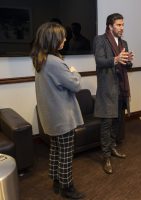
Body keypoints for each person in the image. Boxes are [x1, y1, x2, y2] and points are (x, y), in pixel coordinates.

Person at [31, 22, 84, 199]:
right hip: (62, 117)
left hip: (50, 116)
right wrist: (74, 71)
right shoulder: (55, 62)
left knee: (55, 149)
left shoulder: (41, 58)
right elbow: (76, 85)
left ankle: (56, 180)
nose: (66, 39)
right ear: (53, 40)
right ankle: (67, 187)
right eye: (62, 36)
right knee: (66, 153)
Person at [93, 13, 133, 174]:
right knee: (106, 124)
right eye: (118, 25)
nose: (122, 28)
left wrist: (129, 61)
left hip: (121, 88)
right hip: (107, 88)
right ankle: (106, 156)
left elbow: (126, 65)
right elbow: (99, 61)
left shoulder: (124, 42)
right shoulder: (100, 40)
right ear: (110, 26)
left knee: (118, 121)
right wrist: (116, 59)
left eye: (123, 25)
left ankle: (113, 147)